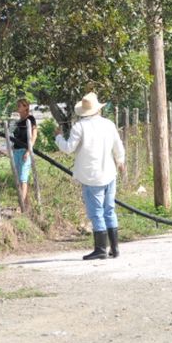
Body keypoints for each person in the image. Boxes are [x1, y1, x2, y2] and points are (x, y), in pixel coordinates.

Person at [55, 92, 125, 260]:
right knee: (109, 210)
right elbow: (118, 146)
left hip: (91, 175)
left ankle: (101, 248)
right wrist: (120, 161)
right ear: (98, 109)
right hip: (109, 172)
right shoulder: (108, 124)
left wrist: (58, 137)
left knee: (96, 213)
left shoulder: (80, 127)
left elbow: (68, 148)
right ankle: (114, 248)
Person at [6, 99, 38, 211]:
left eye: (20, 105)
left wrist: (29, 151)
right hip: (17, 151)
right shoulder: (18, 122)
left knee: (23, 178)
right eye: (17, 105)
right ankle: (26, 205)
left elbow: (34, 136)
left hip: (25, 151)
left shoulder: (30, 119)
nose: (18, 107)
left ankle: (21, 207)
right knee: (20, 179)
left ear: (26, 107)